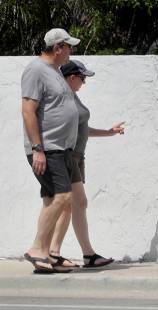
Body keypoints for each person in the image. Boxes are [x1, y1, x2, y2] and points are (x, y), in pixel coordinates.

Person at [46, 60, 124, 269]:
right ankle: (55, 253)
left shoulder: (72, 97)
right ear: (72, 77)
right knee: (72, 203)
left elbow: (82, 130)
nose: (84, 83)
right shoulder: (61, 98)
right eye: (83, 78)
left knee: (74, 204)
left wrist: (108, 132)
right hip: (67, 156)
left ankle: (74, 253)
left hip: (78, 157)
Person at [22, 28, 80, 273]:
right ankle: (37, 248)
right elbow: (28, 110)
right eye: (69, 47)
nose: (71, 51)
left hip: (60, 148)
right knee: (63, 197)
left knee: (52, 200)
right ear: (58, 48)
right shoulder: (36, 70)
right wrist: (37, 149)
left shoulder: (54, 71)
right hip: (47, 148)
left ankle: (46, 254)